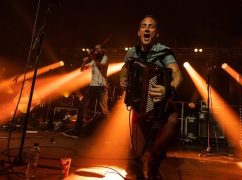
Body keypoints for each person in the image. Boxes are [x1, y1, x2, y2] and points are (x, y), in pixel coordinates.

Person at [120, 15, 183, 180]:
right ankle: (138, 163)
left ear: (157, 33)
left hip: (160, 103)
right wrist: (123, 77)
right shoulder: (132, 52)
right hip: (140, 107)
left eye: (151, 26)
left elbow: (177, 74)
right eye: (143, 26)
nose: (147, 29)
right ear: (138, 32)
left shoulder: (163, 51)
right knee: (136, 153)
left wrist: (168, 90)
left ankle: (154, 163)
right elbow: (124, 68)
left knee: (173, 120)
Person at [63, 44, 109, 138]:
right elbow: (82, 70)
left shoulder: (105, 58)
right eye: (95, 49)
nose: (96, 50)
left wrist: (92, 56)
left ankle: (109, 132)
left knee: (104, 110)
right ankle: (77, 131)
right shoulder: (93, 60)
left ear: (102, 50)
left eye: (98, 49)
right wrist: (83, 62)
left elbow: (101, 67)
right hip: (92, 86)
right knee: (81, 107)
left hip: (101, 87)